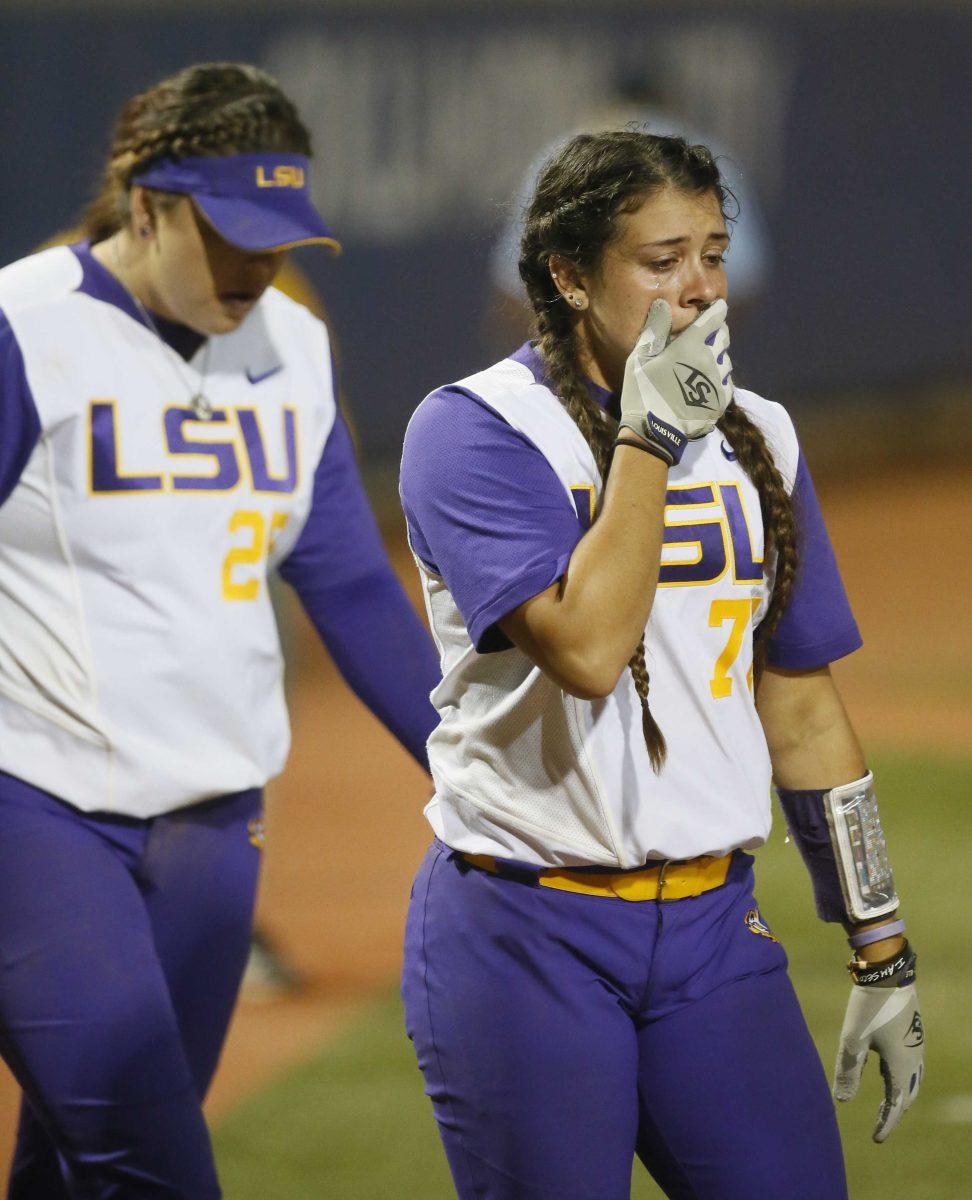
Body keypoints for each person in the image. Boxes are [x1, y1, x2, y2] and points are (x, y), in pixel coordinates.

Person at [399, 131, 923, 1200]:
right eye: (660, 259)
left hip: (713, 936)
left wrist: (882, 941)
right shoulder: (475, 432)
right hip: (525, 930)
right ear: (569, 274)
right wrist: (648, 438)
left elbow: (804, 710)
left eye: (714, 256)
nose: (696, 291)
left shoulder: (761, 436)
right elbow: (590, 651)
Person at [0, 62, 439, 1199]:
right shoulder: (25, 329)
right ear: (145, 203)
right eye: (230, 232)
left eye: (277, 234)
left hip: (212, 828)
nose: (259, 262)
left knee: (76, 1166)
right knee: (152, 1171)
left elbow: (344, 579)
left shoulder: (290, 346)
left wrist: (474, 766)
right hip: (34, 812)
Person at [484, 73, 771, 355]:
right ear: (667, 105)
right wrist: (698, 349)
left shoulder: (563, 156)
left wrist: (546, 361)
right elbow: (743, 279)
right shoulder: (703, 157)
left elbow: (514, 287)